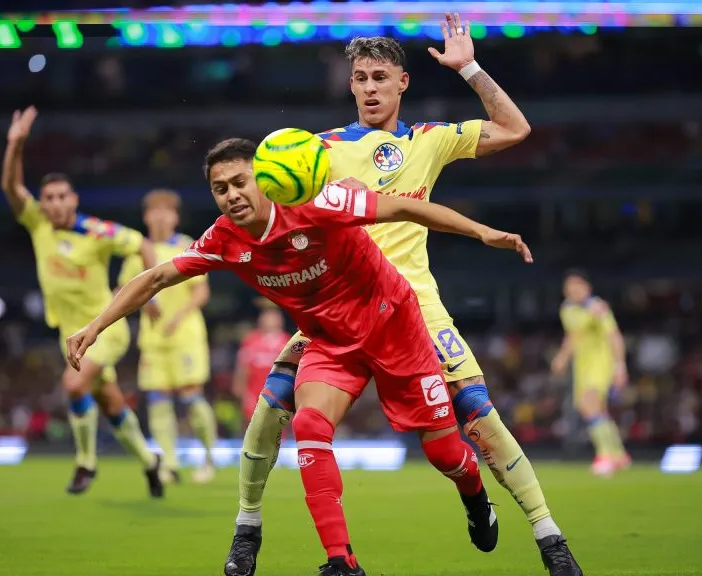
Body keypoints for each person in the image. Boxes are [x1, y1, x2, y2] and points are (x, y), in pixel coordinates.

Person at [66, 138, 532, 575]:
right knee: (309, 424)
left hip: (393, 325)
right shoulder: (224, 238)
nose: (230, 195)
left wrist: (483, 232)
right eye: (219, 188)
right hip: (330, 342)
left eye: (239, 182)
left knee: (445, 453)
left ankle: (474, 496)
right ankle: (341, 561)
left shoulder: (320, 204)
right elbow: (155, 278)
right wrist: (95, 326)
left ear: (263, 179)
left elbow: (406, 207)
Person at [225, 14, 582, 576]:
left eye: (380, 77)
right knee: (273, 405)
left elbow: (515, 129)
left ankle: (549, 539)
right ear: (350, 85)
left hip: (415, 306)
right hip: (338, 304)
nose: (369, 87)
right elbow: (265, 203)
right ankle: (247, 528)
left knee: (476, 418)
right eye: (360, 77)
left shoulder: (429, 142)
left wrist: (469, 68)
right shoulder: (314, 153)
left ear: (402, 84)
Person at [0, 106, 163, 497]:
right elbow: (10, 188)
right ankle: (149, 461)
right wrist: (15, 145)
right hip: (68, 333)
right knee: (110, 404)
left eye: (61, 197)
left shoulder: (96, 231)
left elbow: (141, 243)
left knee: (73, 386)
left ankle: (85, 464)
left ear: (73, 200)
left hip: (104, 328)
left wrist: (153, 292)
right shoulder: (37, 223)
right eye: (48, 198)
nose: (54, 204)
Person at [118, 190, 217, 485]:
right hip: (153, 340)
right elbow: (125, 291)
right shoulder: (138, 251)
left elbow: (201, 290)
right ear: (146, 216)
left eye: (167, 211)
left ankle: (209, 459)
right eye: (154, 211)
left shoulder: (187, 246)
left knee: (191, 395)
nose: (160, 216)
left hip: (185, 335)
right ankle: (170, 463)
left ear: (175, 216)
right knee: (158, 400)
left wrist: (178, 315)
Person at [551, 269, 631, 476]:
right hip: (581, 367)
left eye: (577, 285)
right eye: (569, 286)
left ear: (587, 287)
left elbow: (614, 336)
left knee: (590, 404)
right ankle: (619, 455)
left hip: (600, 364)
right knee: (593, 409)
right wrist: (562, 357)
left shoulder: (597, 308)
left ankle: (605, 455)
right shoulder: (567, 309)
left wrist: (620, 365)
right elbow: (572, 336)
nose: (572, 290)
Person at [233, 301, 292, 428]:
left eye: (273, 314)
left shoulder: (288, 342)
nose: (268, 318)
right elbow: (242, 371)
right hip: (253, 400)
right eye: (265, 314)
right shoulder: (250, 341)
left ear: (280, 319)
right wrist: (242, 395)